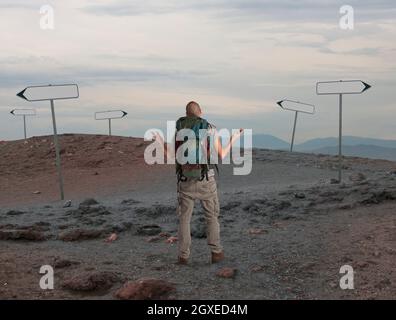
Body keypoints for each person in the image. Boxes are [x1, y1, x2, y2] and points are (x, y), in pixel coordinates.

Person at [153, 101, 243, 265]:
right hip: (206, 179)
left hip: (185, 180)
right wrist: (234, 138)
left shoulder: (180, 130)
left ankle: (183, 256)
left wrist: (159, 140)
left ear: (186, 114)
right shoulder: (210, 129)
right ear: (200, 112)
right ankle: (216, 252)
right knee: (211, 217)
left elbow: (172, 156)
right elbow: (222, 155)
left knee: (184, 220)